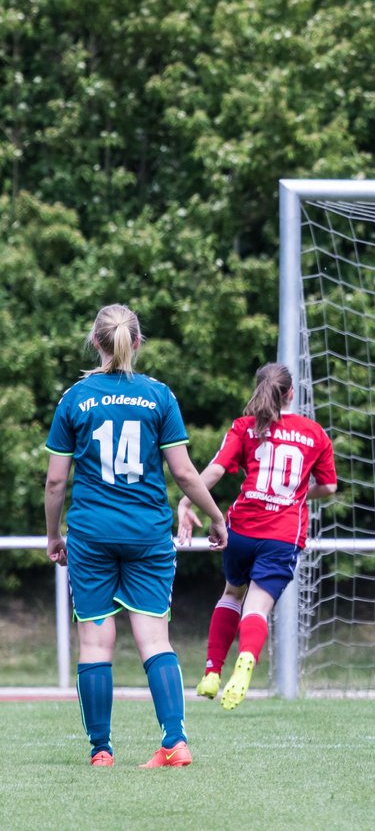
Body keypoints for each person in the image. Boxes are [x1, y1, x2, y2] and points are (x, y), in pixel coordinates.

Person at [44, 304, 228, 768]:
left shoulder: (75, 398)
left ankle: (101, 751)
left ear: (96, 342)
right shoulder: (158, 396)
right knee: (155, 641)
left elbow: (54, 482)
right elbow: (185, 474)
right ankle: (175, 742)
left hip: (91, 535)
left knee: (94, 645)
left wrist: (53, 535)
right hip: (147, 534)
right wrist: (216, 516)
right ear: (138, 343)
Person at [177, 362, 338, 710]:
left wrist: (187, 501)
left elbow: (217, 469)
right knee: (257, 607)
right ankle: (246, 661)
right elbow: (329, 486)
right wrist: (297, 494)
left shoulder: (244, 427)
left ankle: (211, 671)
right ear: (291, 392)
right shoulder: (314, 433)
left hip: (242, 529)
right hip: (282, 534)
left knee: (232, 593)